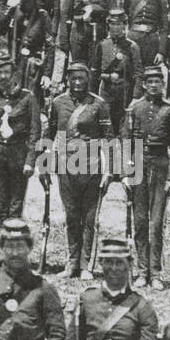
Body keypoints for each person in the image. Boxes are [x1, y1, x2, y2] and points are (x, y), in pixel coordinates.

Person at [44, 61, 113, 279]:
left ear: (87, 80)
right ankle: (72, 262)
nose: (77, 82)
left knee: (90, 217)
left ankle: (86, 265)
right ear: (67, 79)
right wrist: (43, 165)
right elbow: (50, 133)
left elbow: (109, 138)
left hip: (91, 165)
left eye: (81, 78)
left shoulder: (99, 104)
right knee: (71, 215)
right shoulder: (57, 103)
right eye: (73, 78)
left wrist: (109, 171)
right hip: (66, 165)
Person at [126, 65, 170, 288]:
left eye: (158, 81)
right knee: (139, 220)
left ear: (163, 85)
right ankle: (141, 270)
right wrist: (127, 173)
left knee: (156, 222)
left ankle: (156, 272)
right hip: (139, 162)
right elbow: (126, 141)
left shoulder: (169, 110)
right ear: (144, 84)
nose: (154, 85)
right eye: (150, 82)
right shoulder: (135, 108)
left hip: (160, 164)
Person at [0, 48, 38, 231]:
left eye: (6, 72)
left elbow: (35, 132)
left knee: (15, 207)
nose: (3, 76)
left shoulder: (28, 97)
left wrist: (30, 161)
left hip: (18, 155)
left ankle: (12, 253)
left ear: (14, 74)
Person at [91, 7, 142, 132]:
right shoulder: (102, 45)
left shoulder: (132, 46)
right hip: (106, 91)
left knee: (124, 126)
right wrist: (92, 95)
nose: (115, 27)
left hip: (125, 90)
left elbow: (138, 73)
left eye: (119, 24)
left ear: (124, 25)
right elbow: (94, 71)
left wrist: (136, 96)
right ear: (108, 25)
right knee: (106, 125)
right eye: (112, 24)